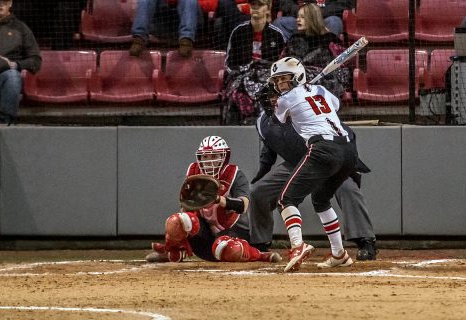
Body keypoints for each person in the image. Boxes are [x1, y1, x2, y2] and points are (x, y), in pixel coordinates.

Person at [249, 84, 377, 261]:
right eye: (269, 97)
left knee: (348, 189)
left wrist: (349, 164)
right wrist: (262, 171)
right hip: (294, 163)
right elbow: (269, 148)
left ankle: (365, 241)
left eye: (275, 96)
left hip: (324, 158)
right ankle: (259, 244)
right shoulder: (262, 123)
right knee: (258, 191)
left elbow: (344, 134)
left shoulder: (301, 106)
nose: (272, 100)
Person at [268, 56, 357, 272]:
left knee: (286, 198)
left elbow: (278, 120)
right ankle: (339, 254)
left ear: (297, 77)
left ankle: (297, 246)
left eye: (285, 80)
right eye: (278, 81)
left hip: (324, 149)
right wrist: (310, 90)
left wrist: (280, 102)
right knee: (320, 199)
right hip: (349, 151)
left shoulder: (285, 100)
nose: (281, 85)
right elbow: (336, 105)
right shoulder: (320, 90)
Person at [145, 135, 282, 264]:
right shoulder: (194, 171)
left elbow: (242, 206)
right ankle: (174, 251)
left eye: (215, 156)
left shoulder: (235, 174)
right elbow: (185, 207)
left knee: (228, 248)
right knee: (177, 220)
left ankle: (260, 254)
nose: (209, 161)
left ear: (224, 157)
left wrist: (218, 199)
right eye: (205, 156)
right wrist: (178, 233)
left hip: (231, 232)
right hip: (203, 240)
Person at [222, 0, 285, 125]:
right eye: (253, 5)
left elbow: (282, 63)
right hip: (242, 76)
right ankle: (237, 130)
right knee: (236, 93)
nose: (255, 8)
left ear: (268, 8)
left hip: (268, 78)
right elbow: (229, 63)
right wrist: (243, 73)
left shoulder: (277, 34)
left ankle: (269, 128)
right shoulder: (238, 32)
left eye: (260, 5)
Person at [280, 0, 350, 99]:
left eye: (302, 17)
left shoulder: (329, 40)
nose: (298, 20)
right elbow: (283, 62)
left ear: (313, 19)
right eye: (298, 17)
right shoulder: (294, 39)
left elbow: (341, 67)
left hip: (323, 86)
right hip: (297, 86)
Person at [0, 0, 41, 124]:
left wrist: (15, 65)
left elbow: (35, 61)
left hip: (3, 77)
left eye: (4, 2)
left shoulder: (21, 28)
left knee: (12, 76)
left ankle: (4, 122)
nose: (0, 5)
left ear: (10, 3)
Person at [129, 0, 211, 57]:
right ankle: (139, 39)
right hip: (163, 23)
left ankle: (186, 41)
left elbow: (210, 5)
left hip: (192, 23)